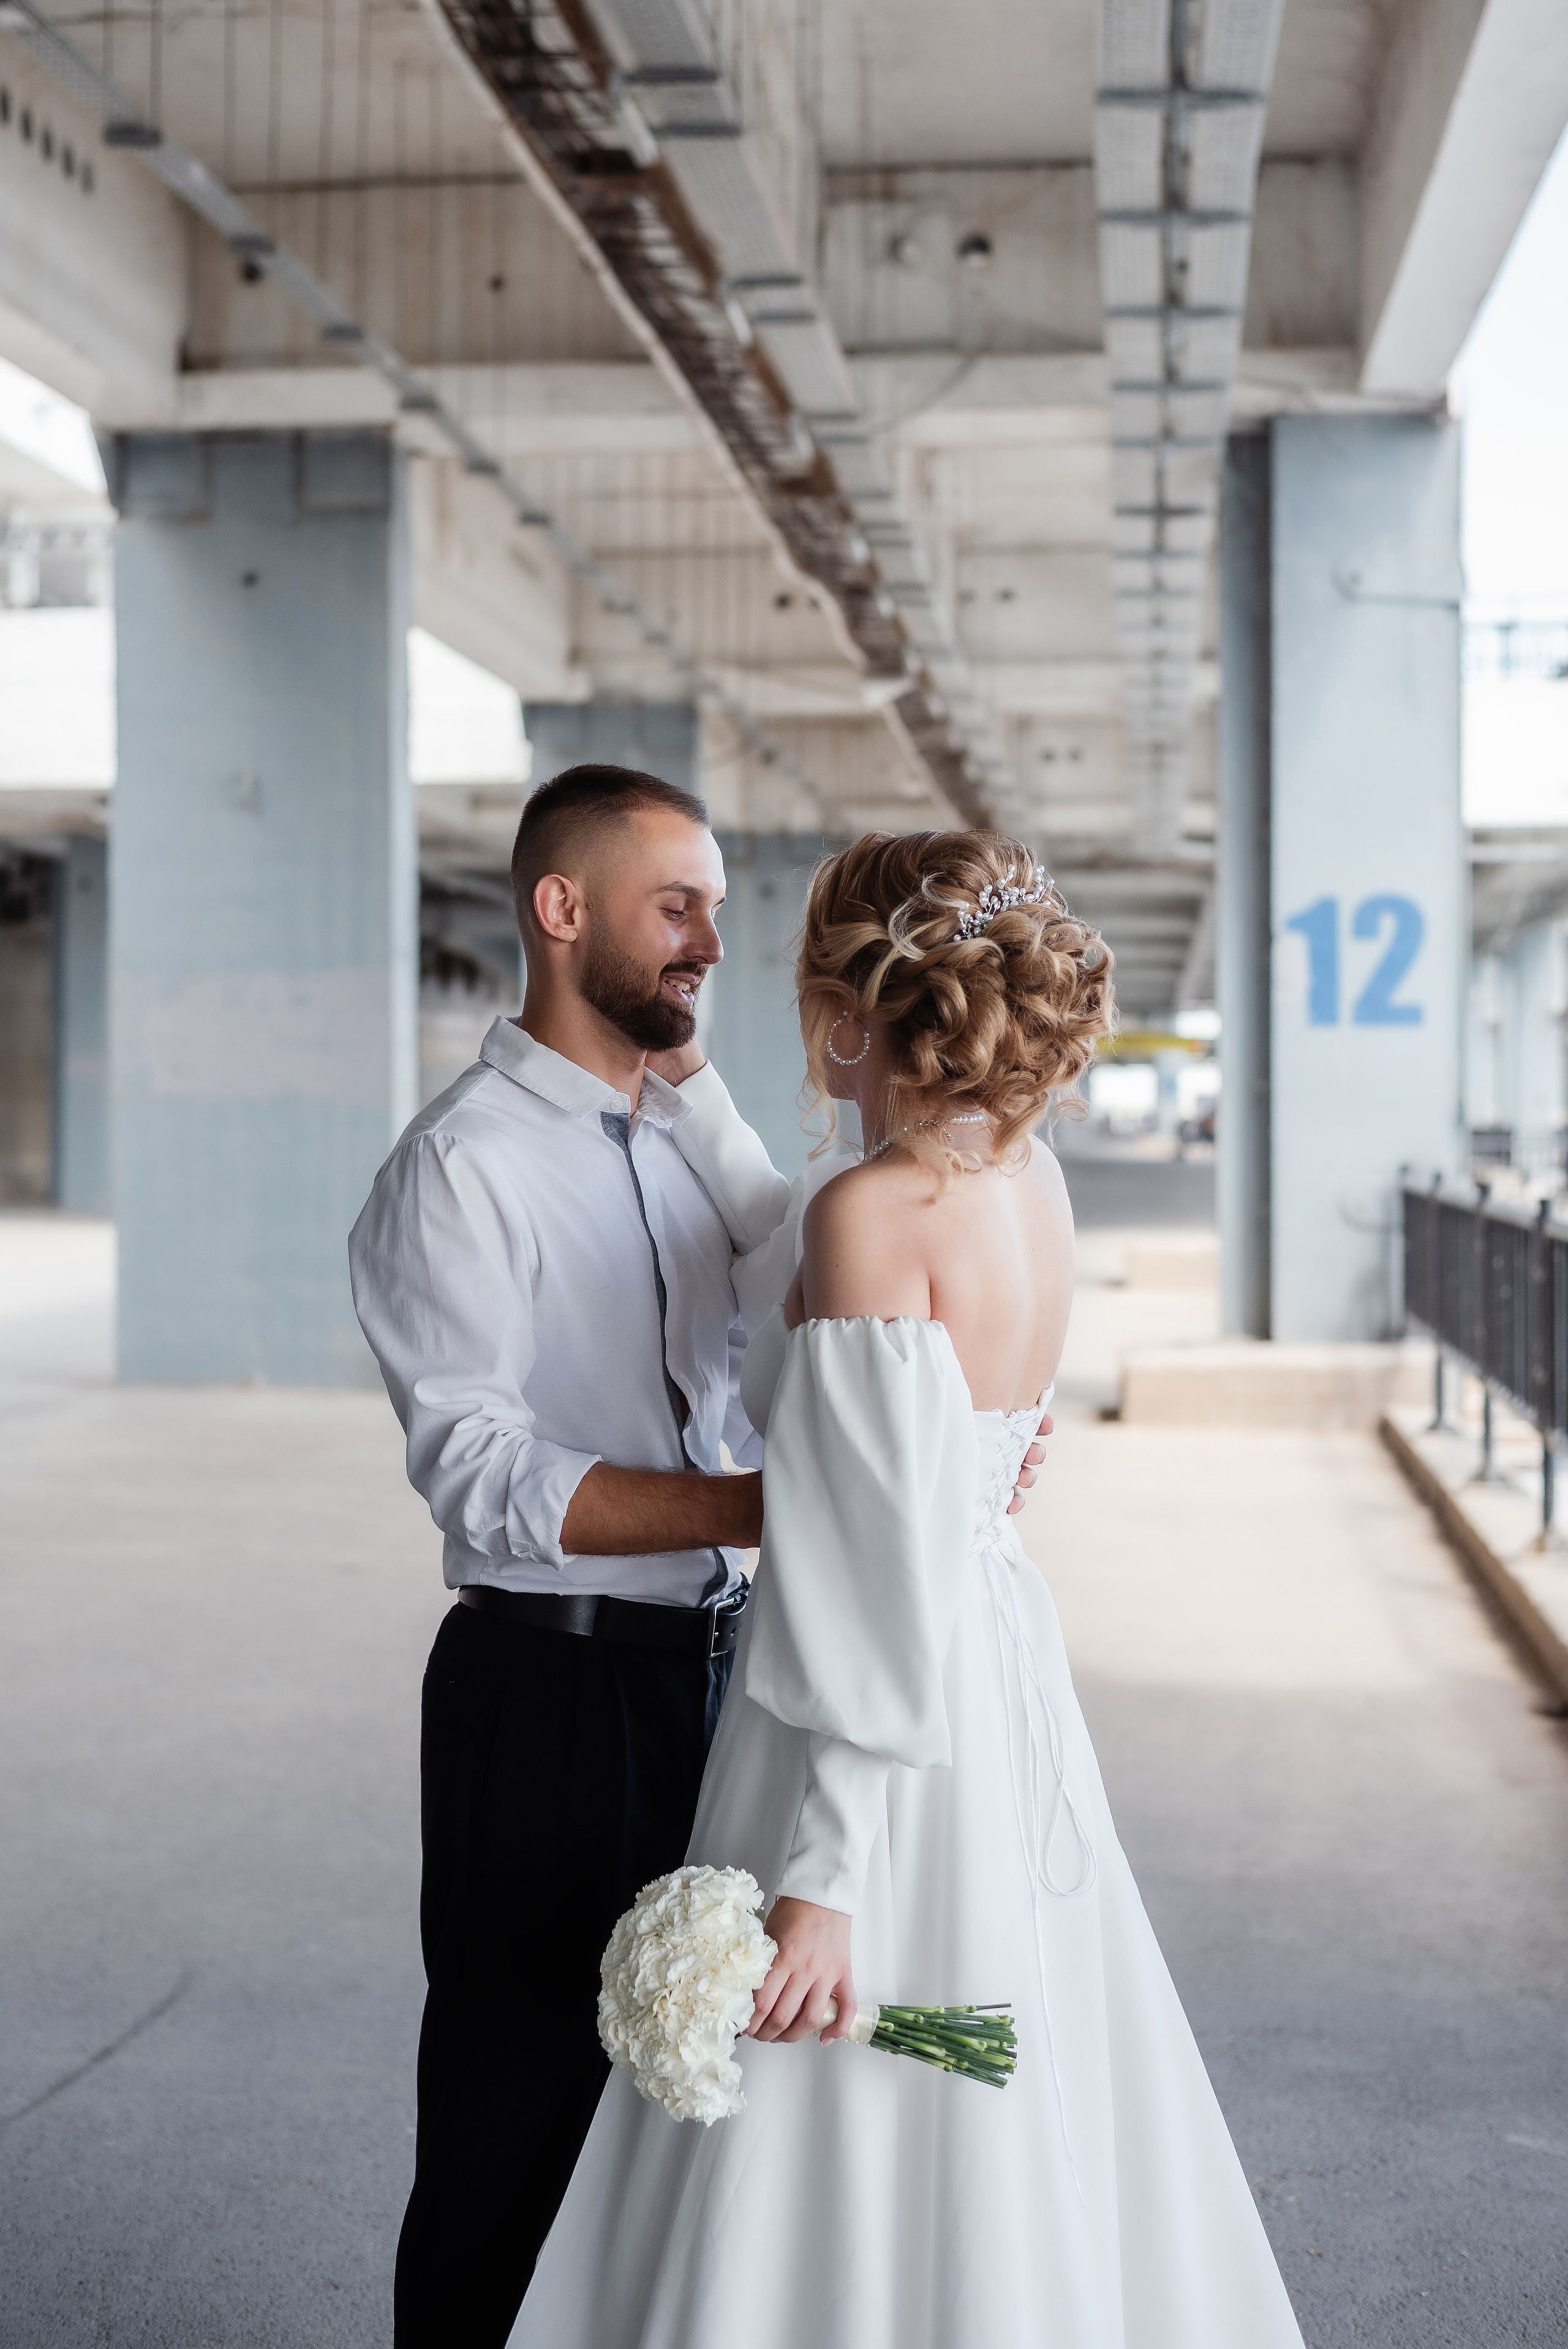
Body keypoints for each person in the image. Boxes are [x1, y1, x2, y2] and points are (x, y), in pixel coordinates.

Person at [509, 830, 1307, 2349]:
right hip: (996, 1674)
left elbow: (873, 1575)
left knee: (842, 2070)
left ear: (840, 1007)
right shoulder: (1028, 1177)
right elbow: (935, 1474)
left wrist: (823, 1883)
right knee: (999, 2070)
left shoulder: (868, 1214)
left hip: (878, 1716)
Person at [349, 763, 1058, 2345]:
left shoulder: (700, 1117)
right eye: (677, 908)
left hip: (745, 1671)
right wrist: (797, 1502)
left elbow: (813, 1304)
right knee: (518, 2113)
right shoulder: (457, 1169)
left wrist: (950, 1436)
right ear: (561, 910)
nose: (708, 944)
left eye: (720, 912)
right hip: (556, 1688)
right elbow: (477, 1473)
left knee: (715, 2112)